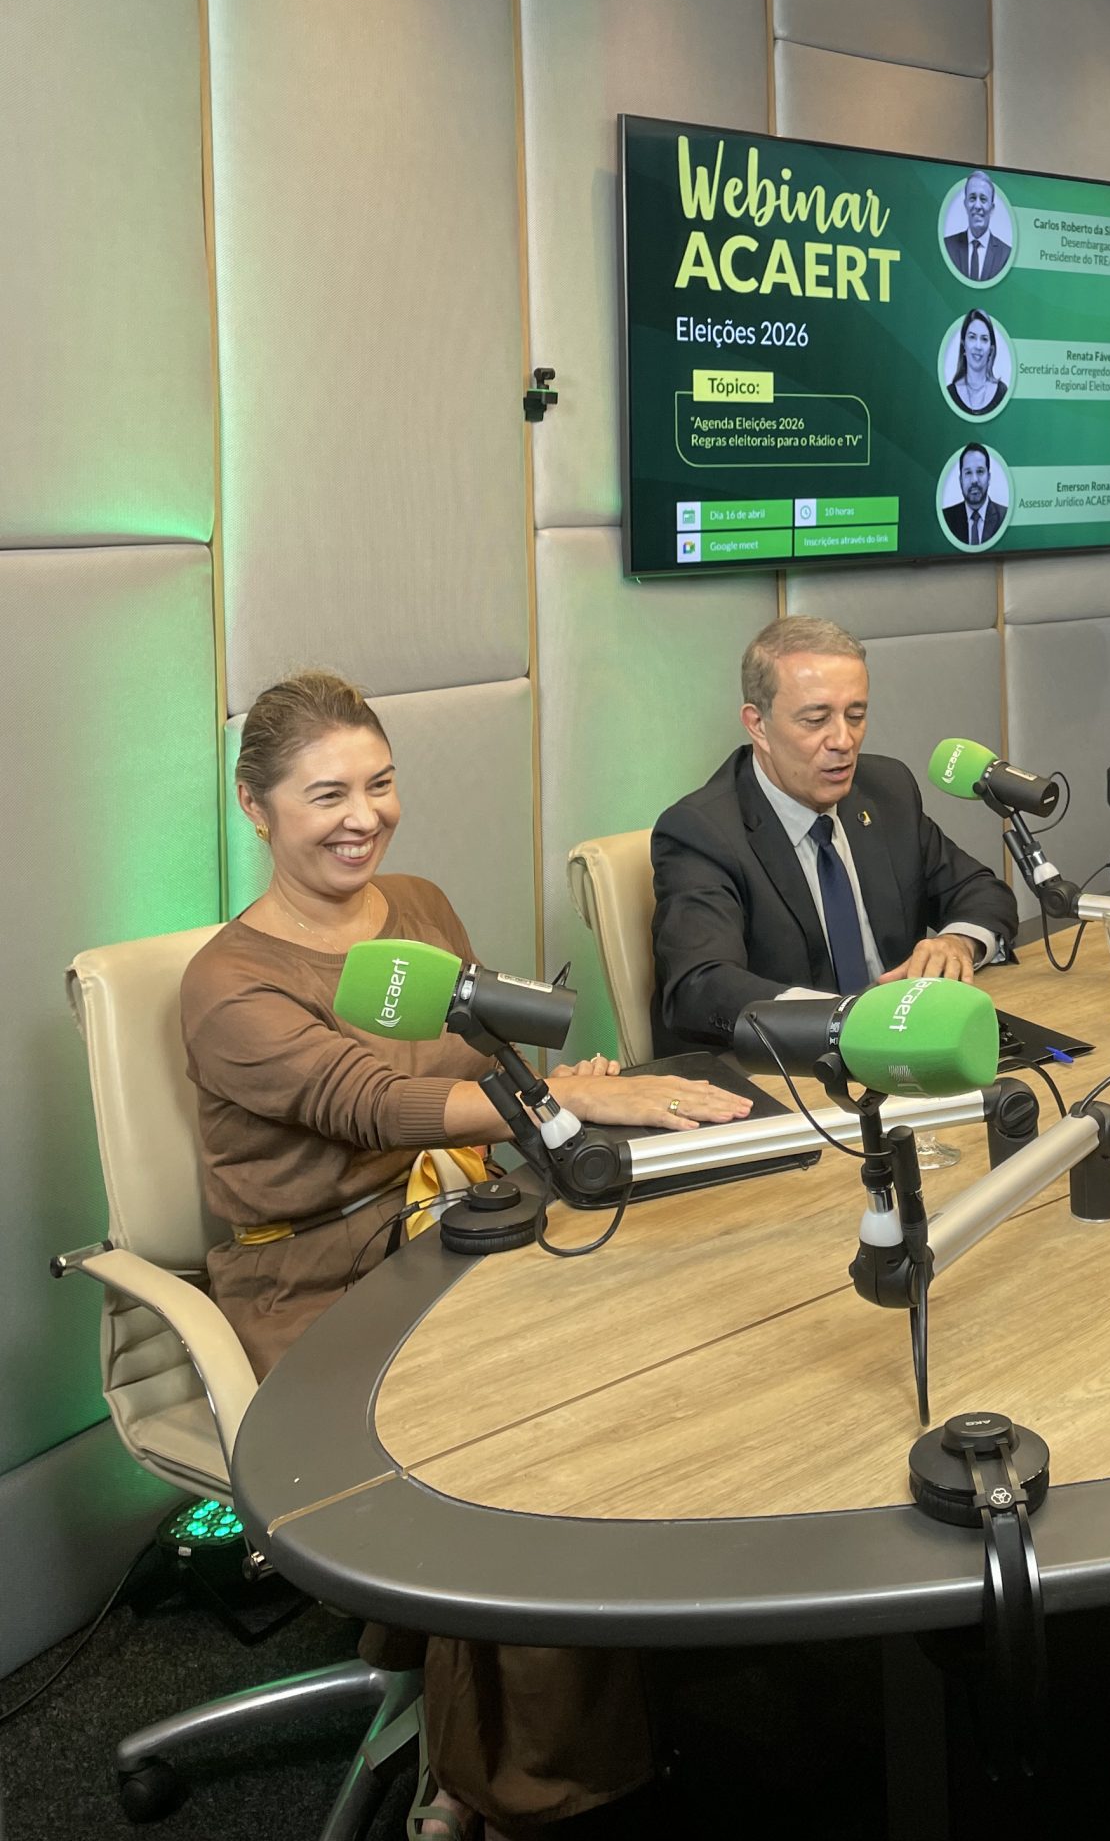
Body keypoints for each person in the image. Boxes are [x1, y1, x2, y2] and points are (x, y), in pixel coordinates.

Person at [181, 670, 751, 1841]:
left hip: (459, 1217)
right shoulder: (227, 983)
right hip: (315, 1277)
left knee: (644, 1342)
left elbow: (482, 1056)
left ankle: (599, 1681)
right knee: (509, 1442)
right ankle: (513, 1785)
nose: (364, 816)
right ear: (255, 807)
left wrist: (562, 1086)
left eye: (380, 783)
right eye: (327, 794)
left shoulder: (420, 906)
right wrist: (566, 1098)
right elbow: (369, 1100)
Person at [651, 616, 1019, 1048]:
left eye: (856, 715)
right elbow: (701, 985)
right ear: (757, 725)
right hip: (797, 1064)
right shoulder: (702, 832)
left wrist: (957, 942)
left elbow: (981, 892)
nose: (844, 740)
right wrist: (847, 1017)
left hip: (909, 1048)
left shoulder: (886, 791)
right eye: (815, 720)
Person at [944, 169, 1010, 282]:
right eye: (972, 198)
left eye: (983, 199)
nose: (977, 206)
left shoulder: (1006, 254)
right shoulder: (948, 246)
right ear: (965, 204)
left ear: (992, 208)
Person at [942, 442, 1007, 547]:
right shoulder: (947, 518)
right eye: (968, 473)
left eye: (980, 471)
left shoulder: (1004, 516)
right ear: (960, 480)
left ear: (989, 477)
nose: (974, 480)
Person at [946, 307, 1008, 416]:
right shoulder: (950, 393)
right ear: (963, 345)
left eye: (984, 339)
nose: (978, 346)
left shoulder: (1002, 393)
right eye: (972, 337)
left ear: (991, 349)